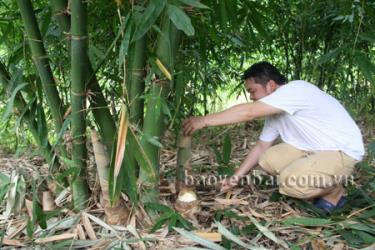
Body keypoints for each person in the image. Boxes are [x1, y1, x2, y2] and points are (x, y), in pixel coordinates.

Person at [182, 61, 364, 213]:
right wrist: (234, 178)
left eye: (252, 91)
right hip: (315, 151)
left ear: (270, 85)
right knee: (268, 159)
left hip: (341, 152)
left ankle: (334, 191)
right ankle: (316, 178)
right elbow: (261, 147)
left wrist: (205, 120)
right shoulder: (275, 111)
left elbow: (249, 112)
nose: (251, 97)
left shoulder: (296, 90)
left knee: (289, 182)